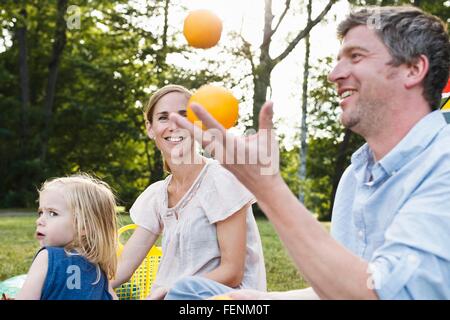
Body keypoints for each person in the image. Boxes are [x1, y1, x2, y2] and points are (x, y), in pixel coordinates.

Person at [166, 6, 450, 299]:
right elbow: (341, 285)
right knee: (191, 293)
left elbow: (387, 294)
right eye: (338, 59)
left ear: (413, 69)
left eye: (356, 56)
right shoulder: (355, 176)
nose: (334, 74)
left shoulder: (443, 163)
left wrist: (266, 187)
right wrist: (259, 300)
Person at [111, 84, 266, 299]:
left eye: (184, 115)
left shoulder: (221, 180)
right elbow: (123, 268)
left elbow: (232, 273)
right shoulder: (158, 195)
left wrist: (170, 290)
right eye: (163, 117)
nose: (174, 125)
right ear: (150, 128)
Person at [16, 173, 119, 300]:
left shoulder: (47, 257)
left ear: (83, 227)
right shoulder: (99, 267)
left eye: (53, 213)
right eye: (41, 212)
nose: (39, 221)